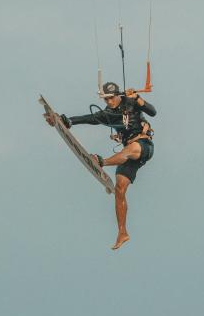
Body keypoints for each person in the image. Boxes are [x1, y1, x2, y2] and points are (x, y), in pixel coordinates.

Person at [46, 81, 156, 250]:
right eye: (106, 99)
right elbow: (90, 118)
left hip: (143, 146)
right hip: (128, 156)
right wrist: (65, 121)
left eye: (111, 98)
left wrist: (138, 98)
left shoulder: (131, 101)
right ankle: (122, 232)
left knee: (130, 149)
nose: (109, 102)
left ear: (118, 95)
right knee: (119, 188)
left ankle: (102, 161)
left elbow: (153, 112)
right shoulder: (107, 114)